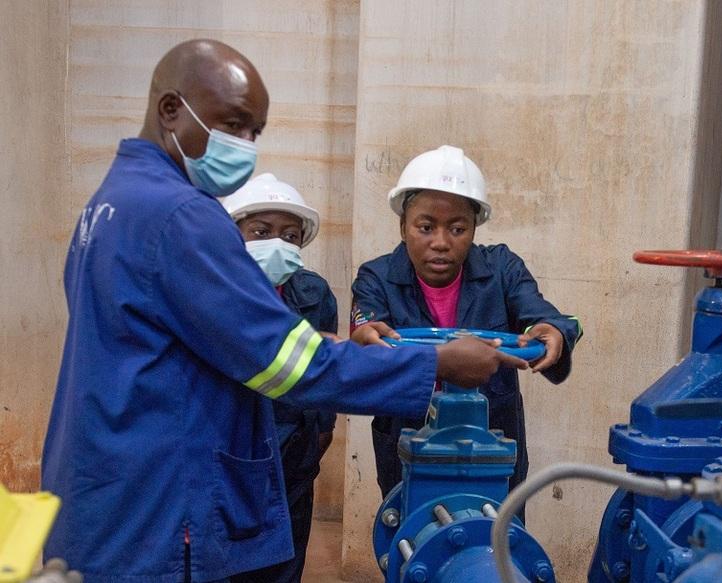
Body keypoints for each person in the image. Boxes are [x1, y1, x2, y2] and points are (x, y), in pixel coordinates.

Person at [40, 41, 525, 583]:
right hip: (158, 505)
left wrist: (338, 346)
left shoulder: (109, 205)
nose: (244, 146)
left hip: (105, 487)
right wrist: (435, 364)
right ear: (171, 110)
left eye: (255, 132)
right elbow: (288, 367)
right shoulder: (181, 218)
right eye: (233, 124)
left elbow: (189, 341)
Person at [351, 145, 583, 512]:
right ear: (402, 226)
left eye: (457, 228)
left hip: (492, 449)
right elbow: (366, 331)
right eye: (425, 227)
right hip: (408, 446)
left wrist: (552, 330)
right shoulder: (375, 278)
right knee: (410, 547)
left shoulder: (502, 269)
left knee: (499, 546)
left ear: (475, 228)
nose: (441, 242)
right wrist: (365, 341)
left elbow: (542, 315)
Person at [221, 173, 337, 582]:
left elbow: (327, 378)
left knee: (285, 559)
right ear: (234, 234)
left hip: (295, 453)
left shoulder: (314, 293)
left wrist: (319, 435)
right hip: (230, 455)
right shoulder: (213, 293)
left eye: (290, 235)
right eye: (261, 231)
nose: (278, 243)